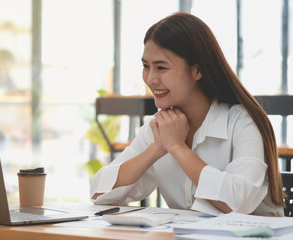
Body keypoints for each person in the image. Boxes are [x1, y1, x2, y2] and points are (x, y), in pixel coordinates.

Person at [90, 12, 285, 216]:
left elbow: (236, 203)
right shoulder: (158, 128)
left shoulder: (242, 122)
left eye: (161, 67)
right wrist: (157, 148)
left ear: (197, 70)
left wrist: (177, 148)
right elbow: (99, 193)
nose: (151, 79)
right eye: (146, 66)